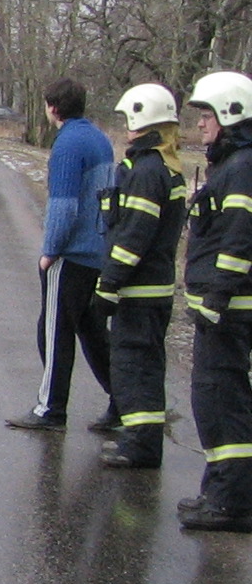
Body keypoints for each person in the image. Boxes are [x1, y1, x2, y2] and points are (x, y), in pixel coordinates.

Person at [6, 78, 115, 432]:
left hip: (72, 254)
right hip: (98, 250)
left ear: (52, 107)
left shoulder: (68, 144)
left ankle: (50, 409)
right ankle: (124, 402)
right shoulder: (99, 139)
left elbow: (63, 206)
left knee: (53, 331)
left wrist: (49, 252)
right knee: (92, 331)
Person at [93, 83, 187, 470]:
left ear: (141, 120)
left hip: (140, 290)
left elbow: (134, 235)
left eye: (128, 121)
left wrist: (109, 283)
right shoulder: (160, 166)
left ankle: (141, 446)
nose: (125, 129)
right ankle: (139, 440)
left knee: (135, 366)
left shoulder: (147, 171)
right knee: (141, 364)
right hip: (152, 287)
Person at [178, 71, 252, 530]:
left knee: (222, 399)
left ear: (229, 114)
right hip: (222, 306)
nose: (201, 124)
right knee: (216, 399)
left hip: (229, 308)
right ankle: (221, 492)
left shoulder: (242, 166)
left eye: (207, 115)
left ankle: (231, 503)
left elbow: (240, 238)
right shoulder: (233, 164)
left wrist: (217, 298)